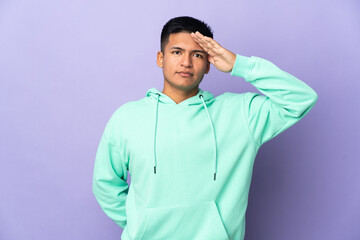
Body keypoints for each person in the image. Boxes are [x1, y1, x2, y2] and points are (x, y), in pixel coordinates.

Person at [92, 16, 318, 240]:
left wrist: (240, 65)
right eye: (177, 52)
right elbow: (105, 185)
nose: (186, 62)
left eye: (197, 55)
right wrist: (142, 225)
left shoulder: (241, 114)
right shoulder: (127, 118)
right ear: (160, 58)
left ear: (209, 64)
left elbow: (301, 99)